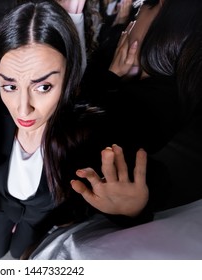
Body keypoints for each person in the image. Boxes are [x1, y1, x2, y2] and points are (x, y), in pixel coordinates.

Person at [0, 0, 151, 260]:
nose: (23, 110)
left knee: (17, 254)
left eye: (44, 87)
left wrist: (132, 212)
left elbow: (108, 202)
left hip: (36, 222)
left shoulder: (85, 135)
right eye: (11, 86)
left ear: (69, 78)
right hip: (1, 209)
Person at [80, 0, 202, 209]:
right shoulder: (175, 96)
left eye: (139, 13)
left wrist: (109, 79)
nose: (131, 24)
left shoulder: (141, 108)